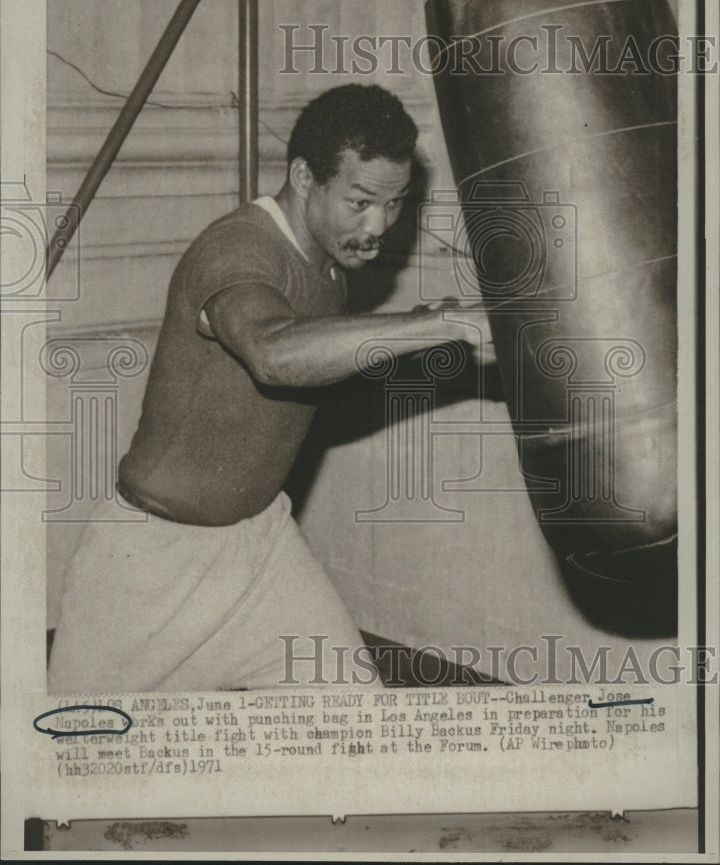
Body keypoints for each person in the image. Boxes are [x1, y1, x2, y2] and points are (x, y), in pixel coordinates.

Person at [48, 84, 492, 693]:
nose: (379, 226)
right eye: (360, 202)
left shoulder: (332, 259)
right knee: (76, 760)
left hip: (261, 549)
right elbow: (275, 356)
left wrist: (441, 327)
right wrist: (438, 324)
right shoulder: (237, 248)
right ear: (304, 176)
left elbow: (321, 364)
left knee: (359, 722)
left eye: (395, 204)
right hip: (148, 565)